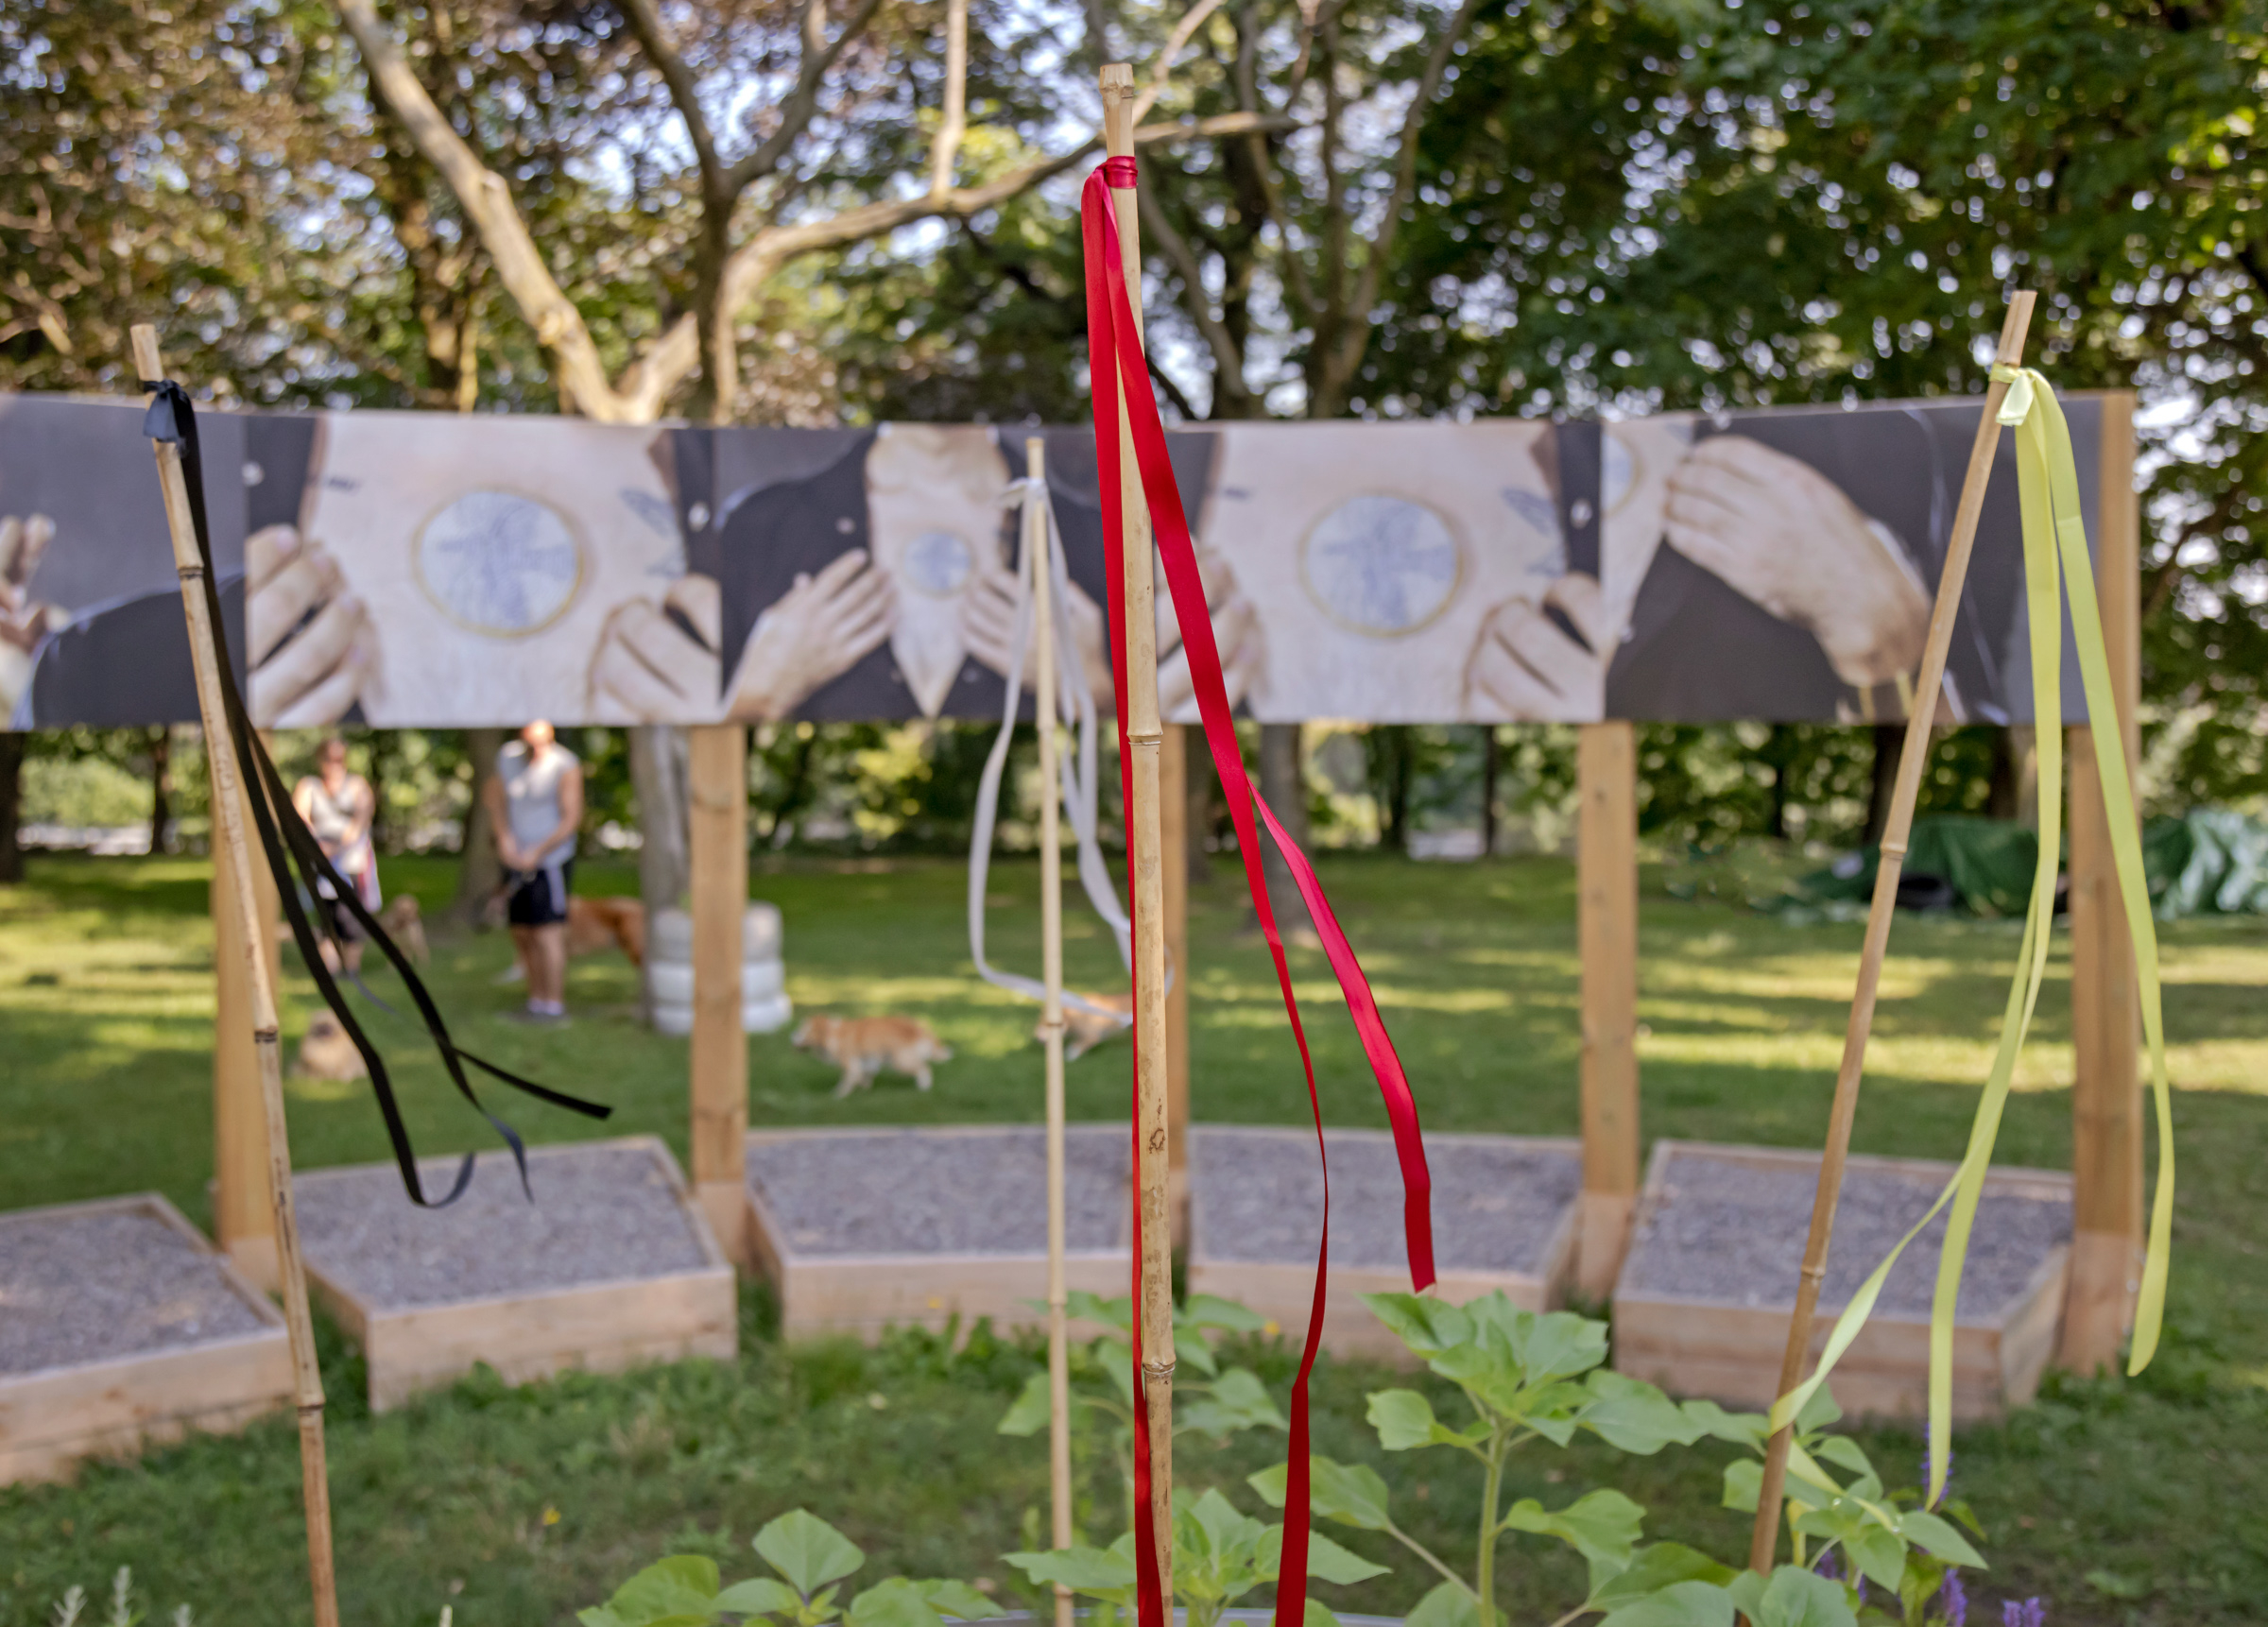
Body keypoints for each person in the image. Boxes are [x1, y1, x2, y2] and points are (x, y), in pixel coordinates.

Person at [485, 720, 583, 1023]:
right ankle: (535, 1001)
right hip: (516, 859)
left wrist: (537, 852)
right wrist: (504, 839)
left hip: (550, 862)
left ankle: (553, 1005)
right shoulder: (508, 757)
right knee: (523, 932)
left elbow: (571, 818)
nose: (536, 750)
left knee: (547, 933)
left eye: (542, 744)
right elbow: (495, 798)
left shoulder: (565, 764)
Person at [290, 735, 381, 974]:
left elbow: (361, 819)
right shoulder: (309, 786)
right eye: (329, 759)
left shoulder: (357, 785)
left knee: (350, 915)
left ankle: (352, 969)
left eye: (339, 759)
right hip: (319, 859)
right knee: (325, 914)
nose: (334, 764)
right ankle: (330, 968)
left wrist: (338, 846)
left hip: (350, 861)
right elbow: (300, 818)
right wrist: (319, 847)